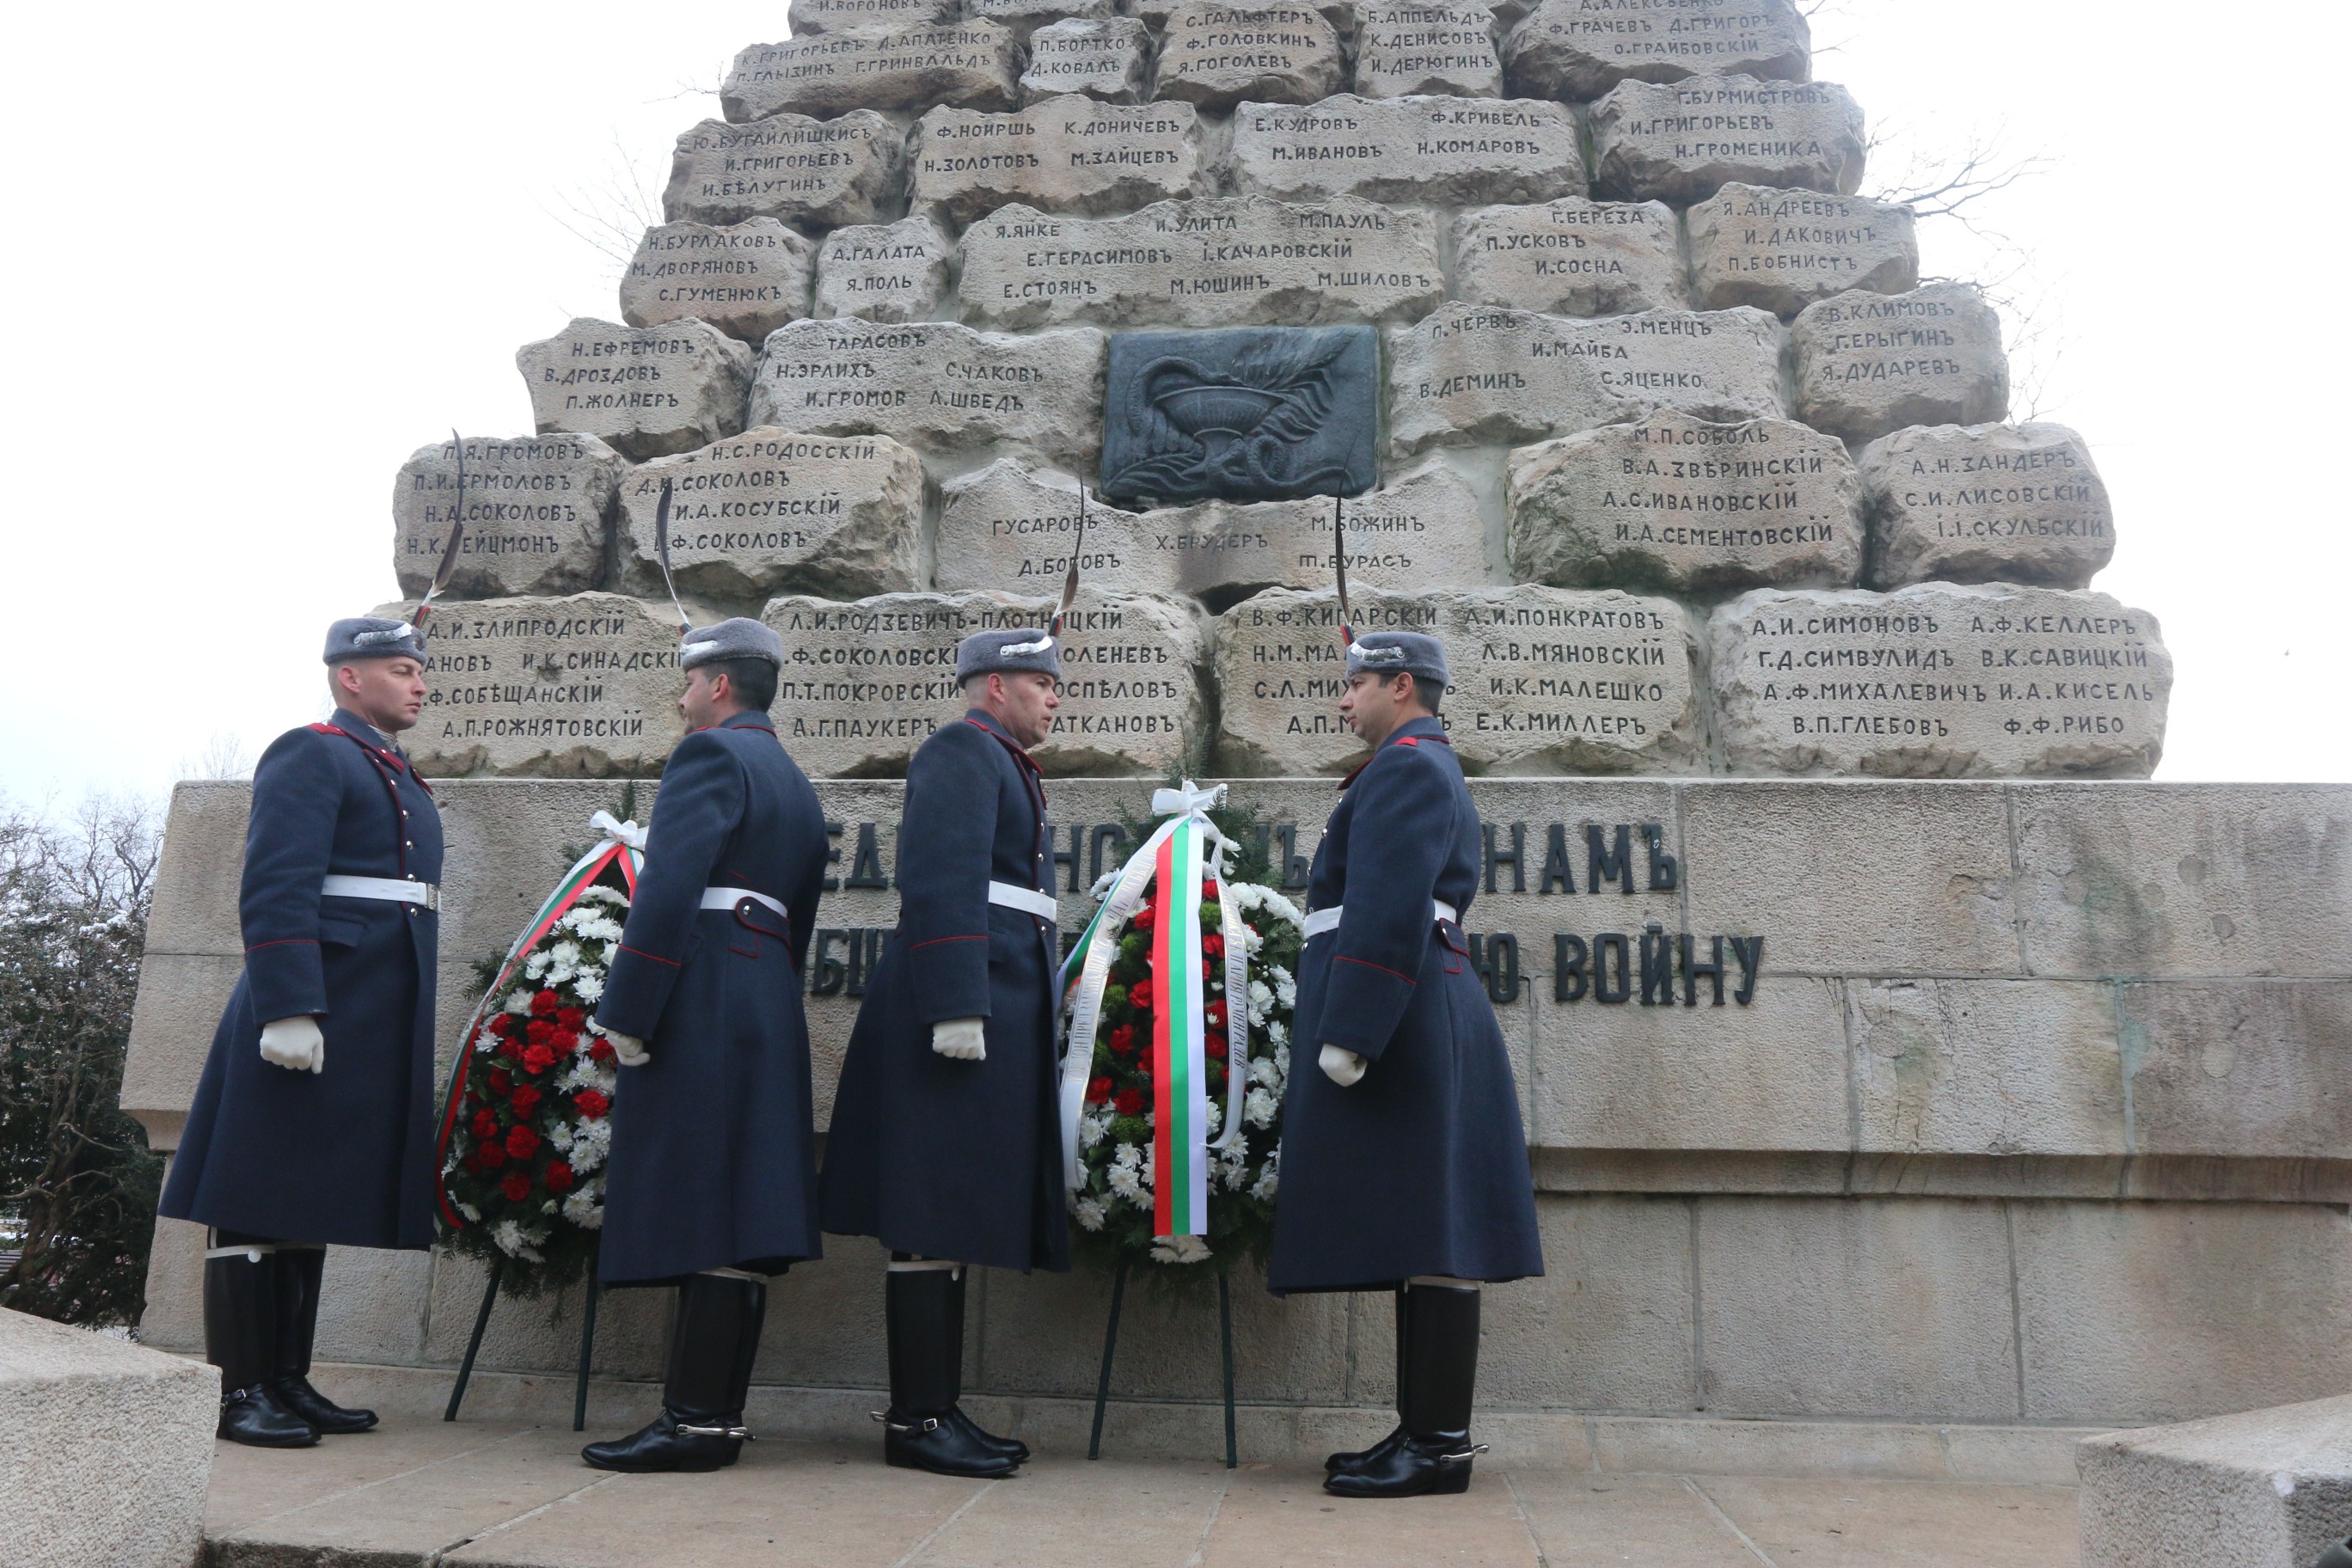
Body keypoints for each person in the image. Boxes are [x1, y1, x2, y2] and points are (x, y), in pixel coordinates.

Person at [1267, 631, 1545, 1499]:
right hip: (1417, 1007)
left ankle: (1439, 1445)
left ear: (1401, 684)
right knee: (1425, 1227)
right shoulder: (1412, 763)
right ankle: (1424, 1433)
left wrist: (1352, 1029)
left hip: (1405, 1013)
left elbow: (1389, 903)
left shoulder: (1408, 766)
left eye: (1355, 683)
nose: (1342, 698)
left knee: (1435, 1229)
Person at [160, 617, 442, 1447]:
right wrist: (287, 1004)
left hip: (365, 1003)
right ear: (350, 676)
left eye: (419, 670)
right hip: (313, 998)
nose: (420, 684)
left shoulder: (388, 766)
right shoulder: (311, 752)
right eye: (402, 669)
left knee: (308, 1192)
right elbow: (278, 881)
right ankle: (240, 1391)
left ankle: (285, 1379)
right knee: (255, 1194)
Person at [575, 618, 830, 1473]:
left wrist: (630, 1007)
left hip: (705, 989)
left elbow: (671, 886)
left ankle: (691, 1424)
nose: (683, 698)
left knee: (701, 1202)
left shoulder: (710, 754)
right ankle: (713, 1421)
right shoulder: (793, 779)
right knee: (742, 1207)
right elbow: (801, 911)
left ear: (719, 685)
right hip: (764, 994)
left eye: (690, 682)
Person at [819, 628, 1072, 1479]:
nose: (1054, 696)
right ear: (994, 685)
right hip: (954, 1010)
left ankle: (937, 1408)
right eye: (1040, 681)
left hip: (988, 1003)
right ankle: (917, 1420)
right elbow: (940, 876)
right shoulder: (961, 751)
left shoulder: (1005, 761)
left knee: (954, 1207)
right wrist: (958, 1002)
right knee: (930, 1210)